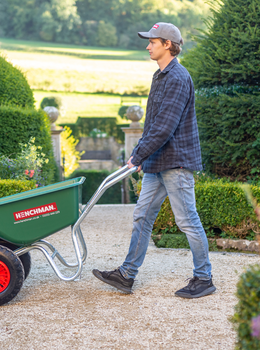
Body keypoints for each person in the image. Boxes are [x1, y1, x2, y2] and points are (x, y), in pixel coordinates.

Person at [92, 22, 216, 299]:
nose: (148, 45)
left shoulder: (178, 77)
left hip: (176, 162)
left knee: (187, 221)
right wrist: (142, 154)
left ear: (168, 45)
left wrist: (137, 154)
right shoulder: (160, 76)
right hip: (157, 162)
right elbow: (153, 124)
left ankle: (204, 278)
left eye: (153, 41)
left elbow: (164, 127)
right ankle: (126, 275)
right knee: (142, 217)